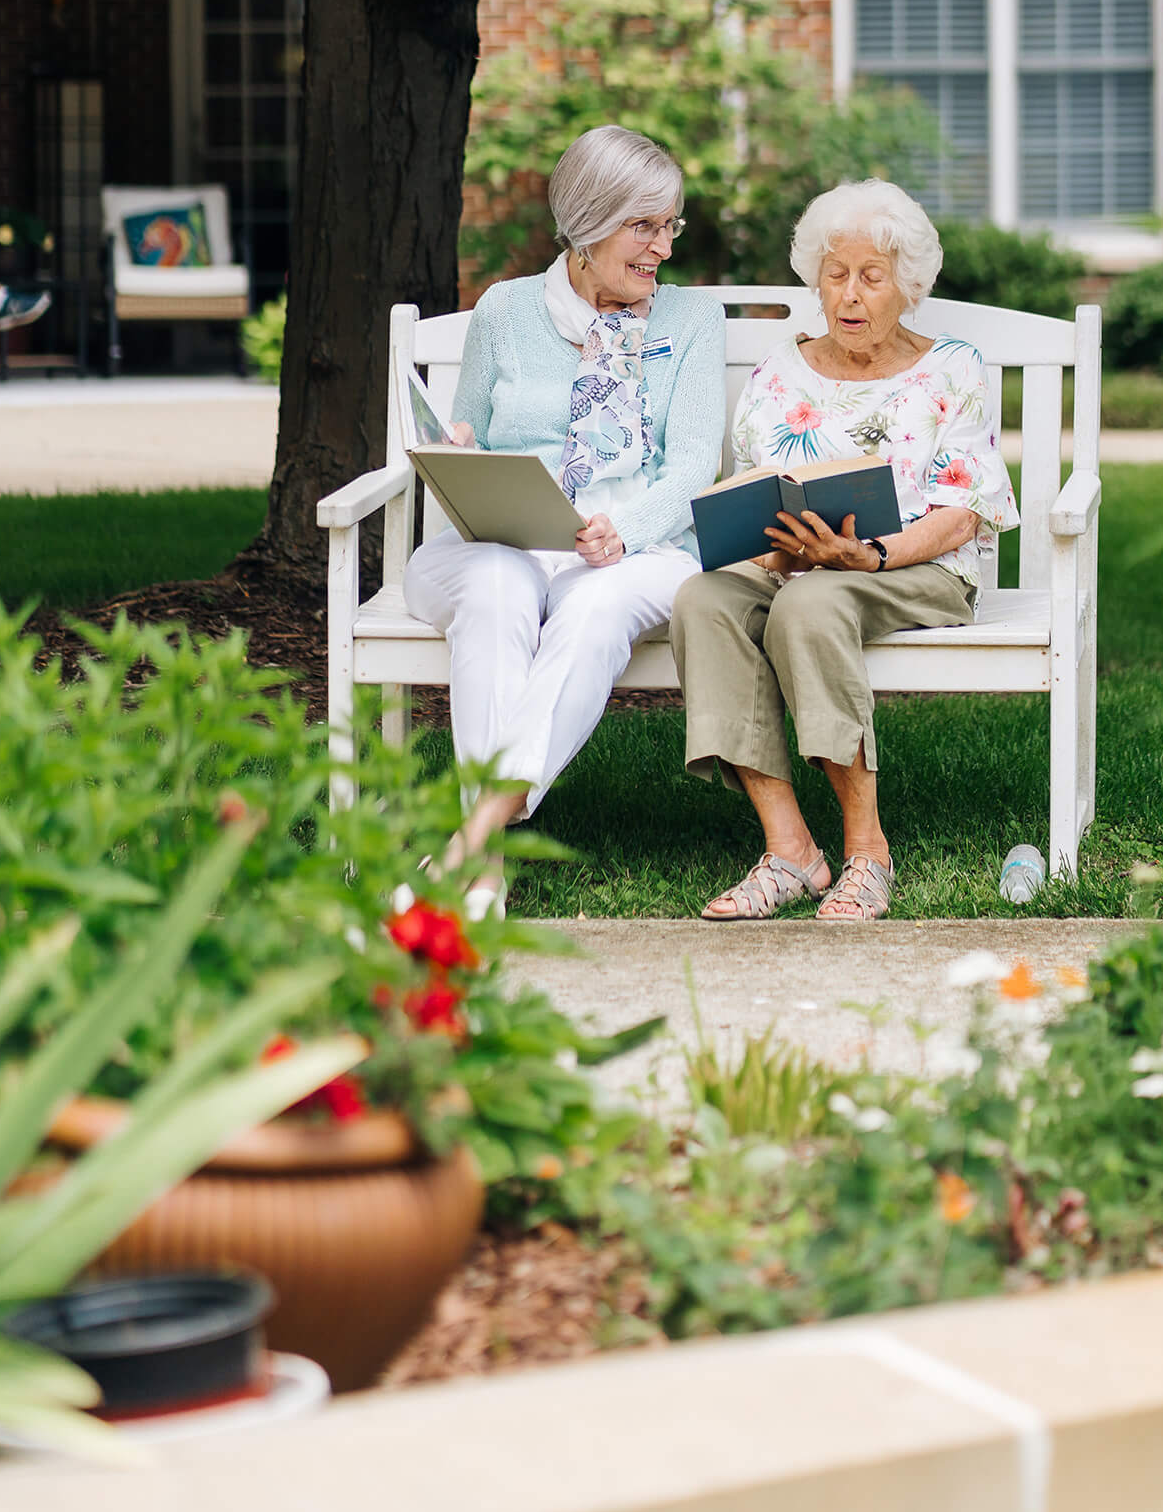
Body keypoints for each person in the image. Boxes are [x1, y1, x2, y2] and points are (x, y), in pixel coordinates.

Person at [671, 179, 1018, 923]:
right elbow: (757, 485)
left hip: (916, 569)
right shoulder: (778, 371)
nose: (851, 295)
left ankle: (869, 852)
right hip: (797, 567)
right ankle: (790, 848)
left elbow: (966, 511)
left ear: (910, 287)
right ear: (816, 281)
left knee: (810, 603)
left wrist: (875, 555)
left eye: (872, 276)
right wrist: (779, 545)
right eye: (836, 275)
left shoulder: (951, 368)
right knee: (704, 601)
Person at [403, 124, 725, 916]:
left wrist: (626, 527)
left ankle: (472, 850)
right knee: (496, 588)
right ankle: (483, 860)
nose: (663, 249)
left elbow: (692, 466)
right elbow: (465, 428)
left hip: (635, 547)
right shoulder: (506, 312)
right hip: (506, 539)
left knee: (594, 605)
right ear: (586, 222)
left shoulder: (691, 321)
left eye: (669, 226)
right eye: (643, 227)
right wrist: (462, 446)